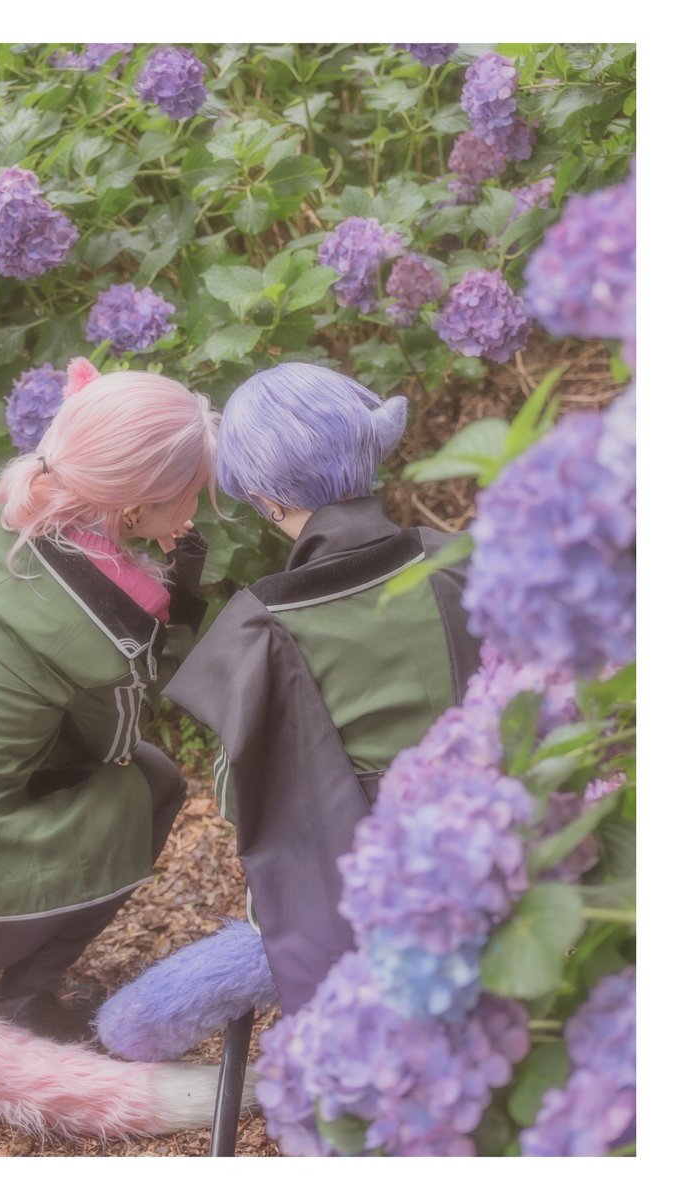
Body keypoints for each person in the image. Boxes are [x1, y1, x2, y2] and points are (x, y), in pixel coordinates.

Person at [0, 357, 219, 1043]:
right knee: (152, 781)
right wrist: (175, 602)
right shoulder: (117, 625)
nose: (192, 512)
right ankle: (27, 996)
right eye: (190, 494)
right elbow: (113, 746)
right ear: (136, 507)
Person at [163, 362, 481, 1016]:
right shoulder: (459, 560)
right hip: (499, 856)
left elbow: (240, 793)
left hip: (363, 913)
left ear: (268, 500)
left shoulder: (260, 624)